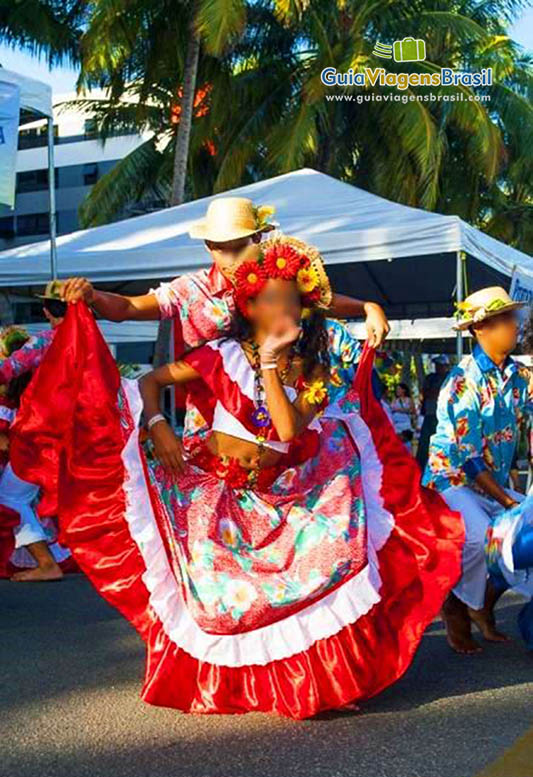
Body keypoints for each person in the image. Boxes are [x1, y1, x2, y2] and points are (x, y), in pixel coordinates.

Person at [11, 237, 464, 719]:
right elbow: (149, 380)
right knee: (222, 597)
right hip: (220, 490)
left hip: (285, 491)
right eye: (269, 300)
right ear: (248, 306)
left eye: (290, 301)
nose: (280, 308)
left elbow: (287, 432)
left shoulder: (310, 369)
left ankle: (320, 685)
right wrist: (158, 424)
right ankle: (235, 685)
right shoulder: (218, 352)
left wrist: (272, 359)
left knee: (319, 567)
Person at [59, 197, 391, 349]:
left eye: (238, 244)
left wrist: (369, 307)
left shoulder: (281, 280)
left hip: (281, 415)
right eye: (219, 246)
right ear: (207, 245)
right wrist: (93, 295)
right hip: (215, 423)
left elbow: (323, 301)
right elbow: (128, 308)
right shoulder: (191, 290)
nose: (229, 255)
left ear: (257, 238)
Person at [423, 287, 533, 654]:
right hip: (452, 480)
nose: (515, 326)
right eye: (506, 319)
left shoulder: (518, 376)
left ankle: (483, 602)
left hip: (492, 484)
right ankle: (456, 607)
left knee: (522, 536)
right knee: (478, 538)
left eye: (513, 318)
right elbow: (468, 459)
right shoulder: (462, 381)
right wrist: (508, 503)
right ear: (481, 328)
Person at [0, 288, 72, 581]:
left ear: (46, 311)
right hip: (83, 436)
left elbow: (7, 370)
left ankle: (46, 563)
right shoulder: (94, 344)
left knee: (9, 496)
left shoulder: (45, 342)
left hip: (44, 435)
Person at [416, 355, 450, 469]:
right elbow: (425, 392)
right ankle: (420, 466)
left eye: (440, 365)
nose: (437, 368)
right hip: (429, 413)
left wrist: (435, 393)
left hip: (443, 416)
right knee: (425, 443)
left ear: (446, 366)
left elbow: (441, 393)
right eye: (436, 365)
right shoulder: (430, 378)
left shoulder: (449, 378)